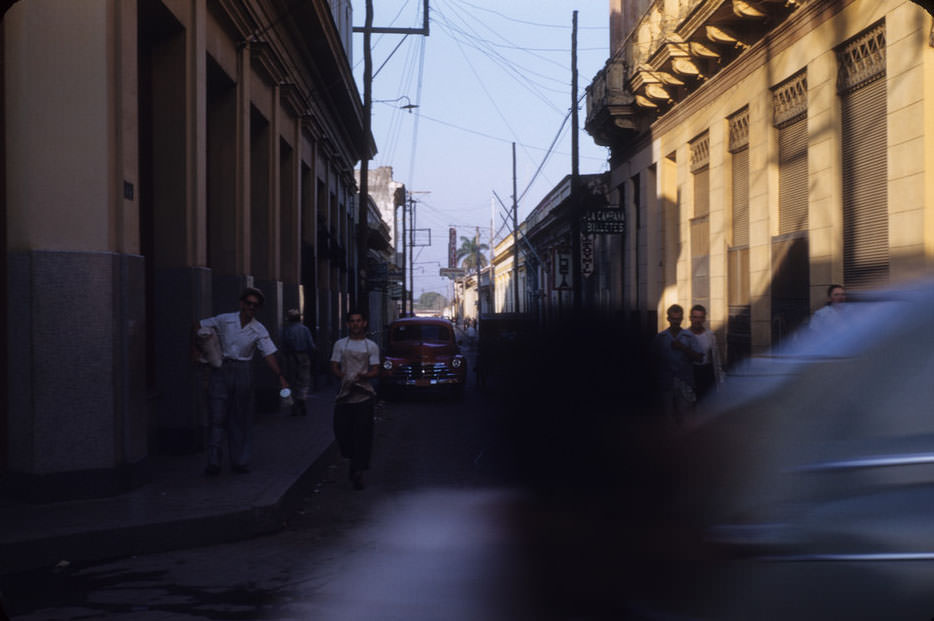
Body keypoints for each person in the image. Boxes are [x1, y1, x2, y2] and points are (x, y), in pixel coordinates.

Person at [198, 287, 288, 475]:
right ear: (241, 304)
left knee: (240, 418)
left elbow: (269, 354)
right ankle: (213, 461)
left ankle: (239, 461)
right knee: (217, 416)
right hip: (221, 369)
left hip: (243, 372)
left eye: (255, 305)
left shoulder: (258, 329)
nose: (251, 308)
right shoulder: (224, 319)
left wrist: (280, 375)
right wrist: (196, 351)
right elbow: (199, 325)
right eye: (248, 303)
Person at [330, 310, 380, 490]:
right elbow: (334, 366)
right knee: (342, 432)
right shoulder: (340, 345)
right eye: (352, 321)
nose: (355, 324)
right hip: (344, 396)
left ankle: (358, 470)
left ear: (364, 323)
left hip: (364, 396)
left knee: (363, 436)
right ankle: (352, 459)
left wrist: (364, 376)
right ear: (347, 324)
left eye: (358, 321)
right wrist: (342, 376)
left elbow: (376, 369)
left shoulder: (371, 346)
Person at [654, 304, 703, 425]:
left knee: (686, 416)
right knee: (667, 417)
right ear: (668, 319)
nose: (676, 322)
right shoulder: (661, 338)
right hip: (666, 383)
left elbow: (699, 358)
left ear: (682, 319)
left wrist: (683, 348)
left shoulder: (689, 337)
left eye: (678, 319)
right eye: (673, 319)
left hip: (685, 382)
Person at [280, 308, 317, 416]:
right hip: (303, 355)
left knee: (292, 381)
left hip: (291, 357)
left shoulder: (286, 330)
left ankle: (294, 404)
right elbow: (311, 345)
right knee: (304, 380)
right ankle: (302, 398)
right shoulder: (304, 329)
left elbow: (283, 345)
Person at [688, 304, 725, 402]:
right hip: (691, 373)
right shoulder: (685, 335)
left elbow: (716, 359)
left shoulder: (710, 335)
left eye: (700, 317)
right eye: (695, 317)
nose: (698, 320)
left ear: (704, 319)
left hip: (707, 372)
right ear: (690, 318)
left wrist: (720, 378)